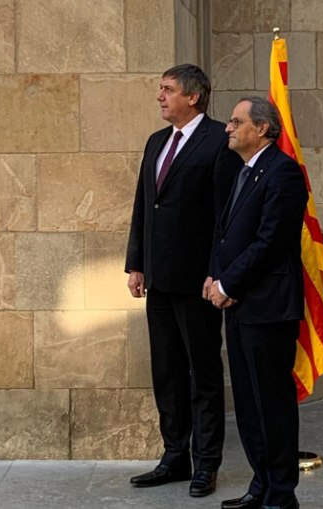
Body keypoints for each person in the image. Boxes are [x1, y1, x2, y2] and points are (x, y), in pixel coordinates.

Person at [125, 63, 243, 498]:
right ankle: (174, 457)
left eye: (168, 89)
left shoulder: (218, 141)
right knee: (167, 371)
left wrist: (217, 271)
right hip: (158, 279)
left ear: (193, 96)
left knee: (202, 374)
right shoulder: (156, 141)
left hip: (197, 282)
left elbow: (223, 216)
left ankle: (205, 463)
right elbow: (144, 205)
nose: (160, 96)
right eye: (161, 89)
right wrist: (136, 264)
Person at [208, 97, 308, 509]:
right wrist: (215, 275)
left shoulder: (283, 172)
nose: (228, 128)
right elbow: (226, 233)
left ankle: (281, 495)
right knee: (249, 404)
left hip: (268, 307)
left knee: (272, 404)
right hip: (240, 304)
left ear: (262, 129)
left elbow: (270, 243)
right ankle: (260, 485)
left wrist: (229, 282)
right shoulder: (244, 171)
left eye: (236, 122)